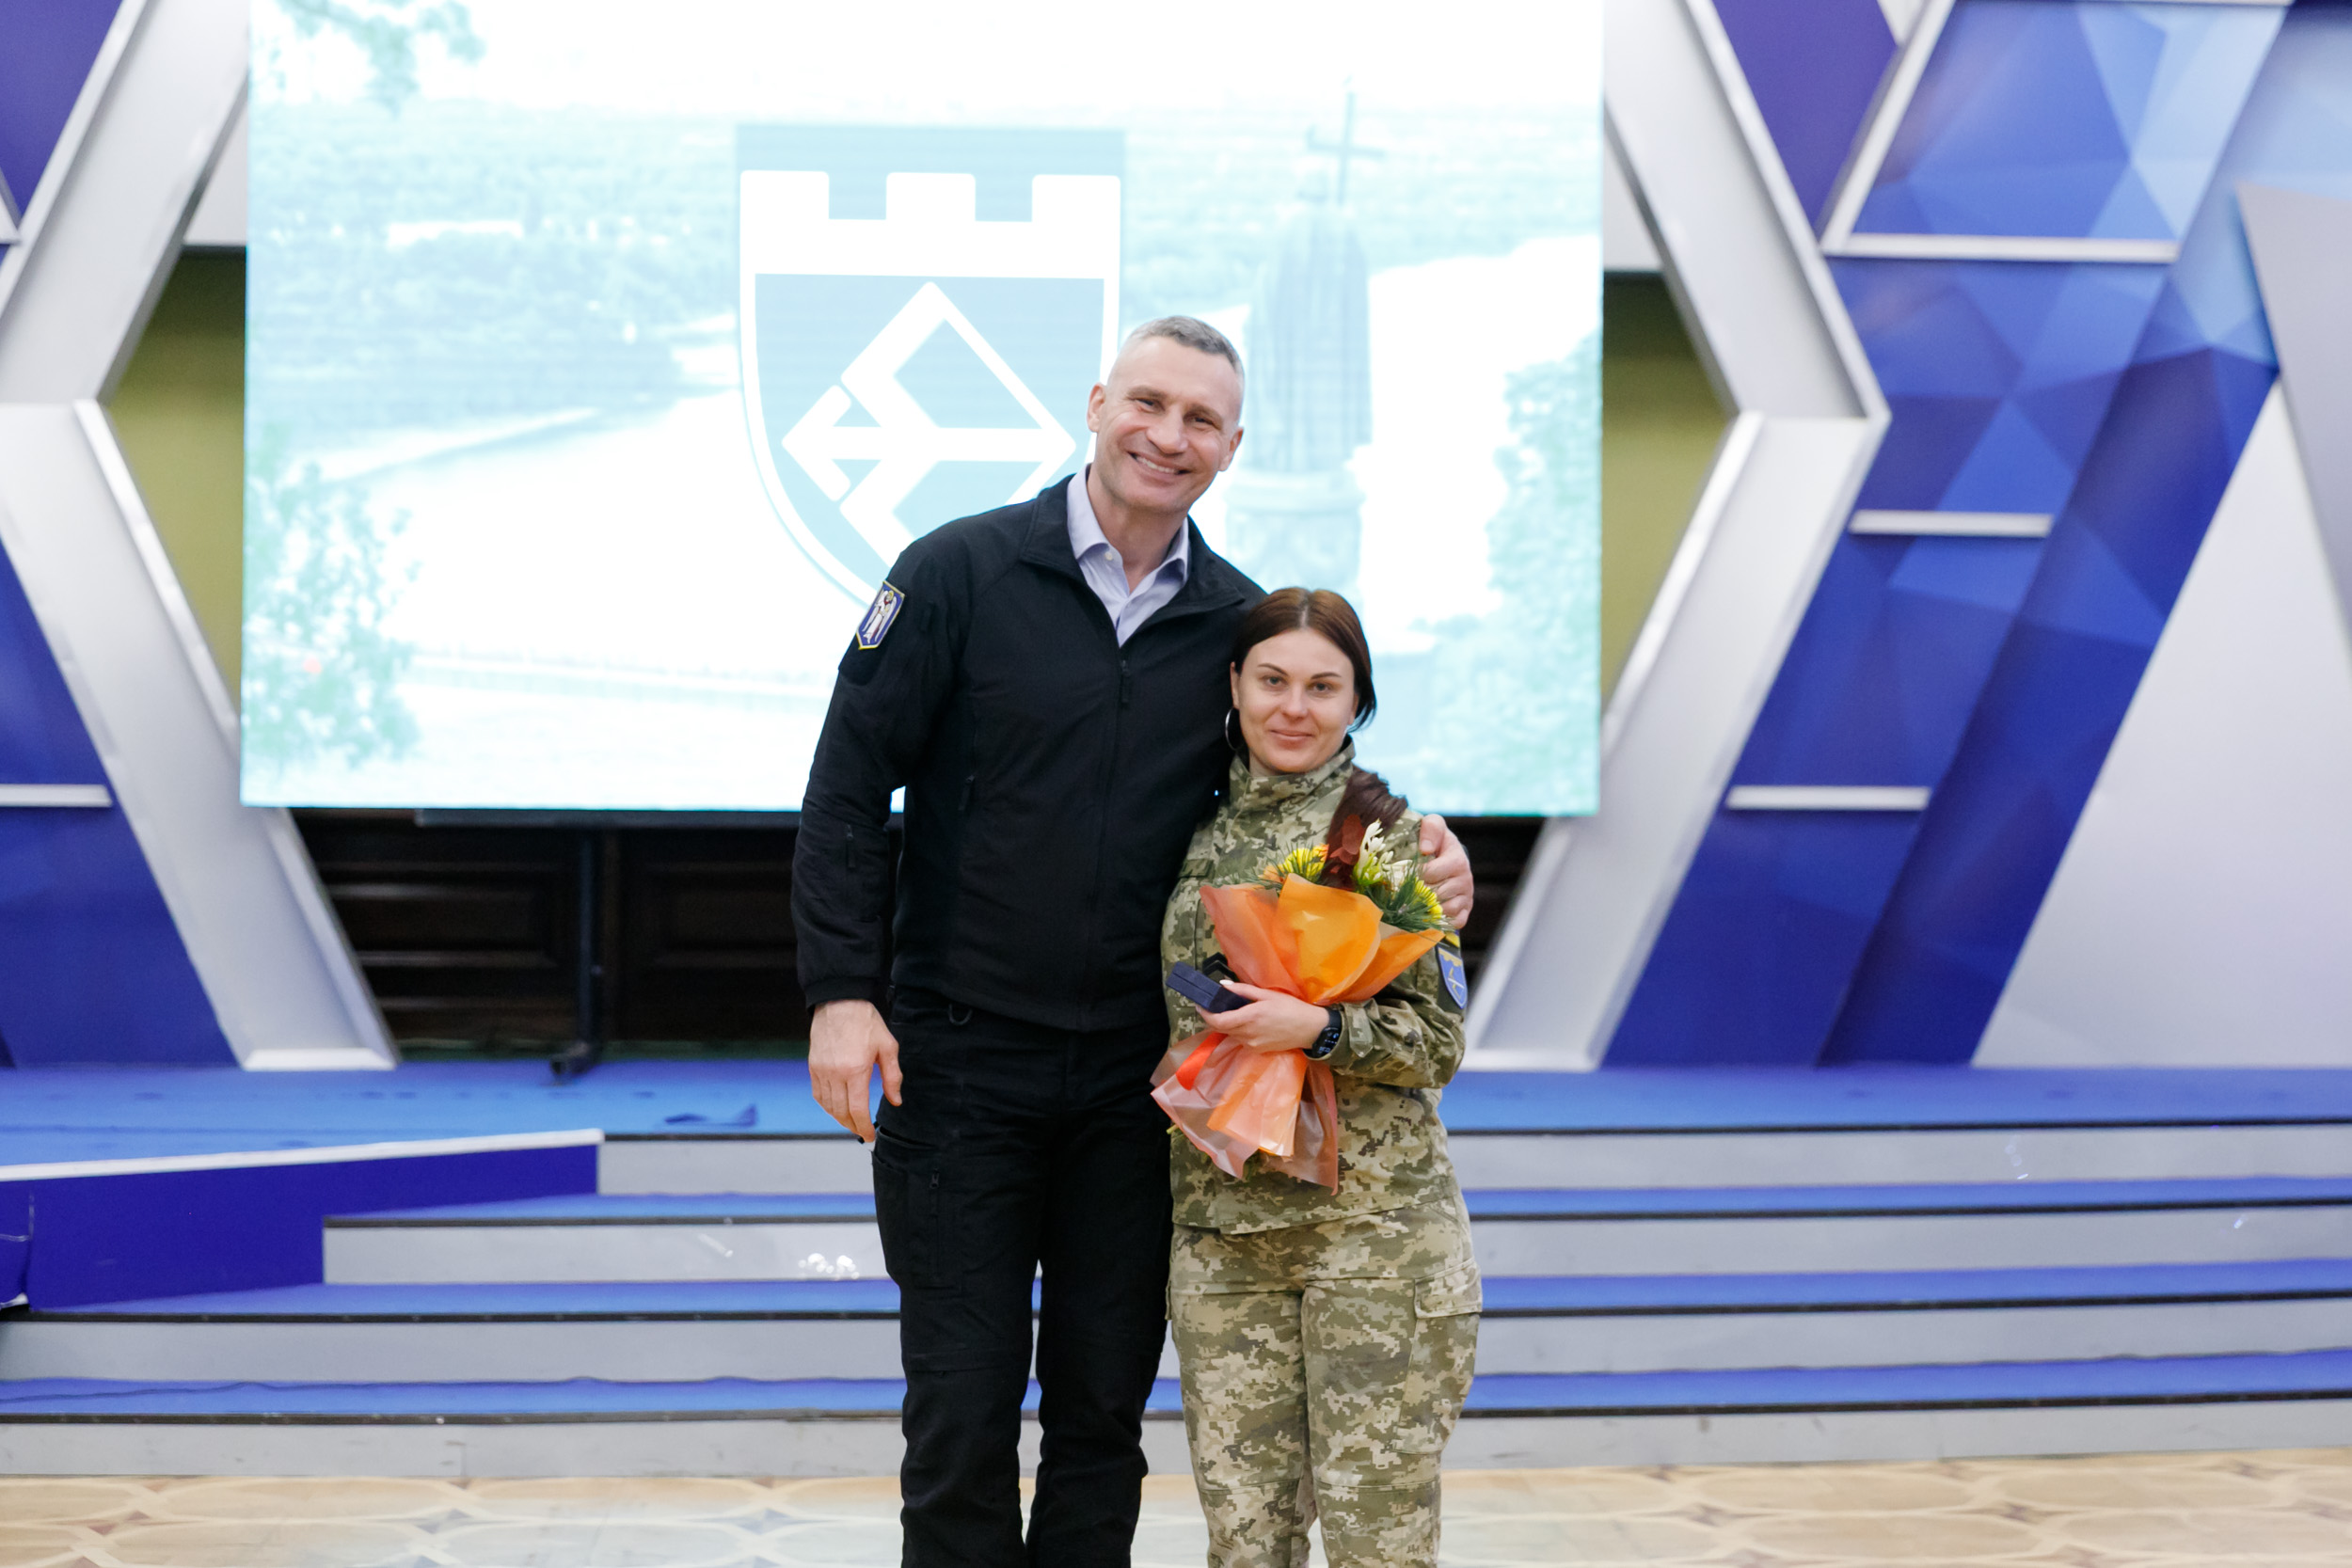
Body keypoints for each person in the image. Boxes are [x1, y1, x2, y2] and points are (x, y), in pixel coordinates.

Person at [791, 315, 1474, 1568]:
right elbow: (845, 785)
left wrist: (1424, 844)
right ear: (1098, 402)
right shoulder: (955, 572)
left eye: (1200, 418)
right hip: (959, 1064)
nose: (1168, 435)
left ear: (1231, 447)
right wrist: (841, 990)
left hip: (1135, 1087)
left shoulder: (1230, 622)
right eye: (1148, 403)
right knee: (960, 1407)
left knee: (1102, 1413)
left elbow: (1297, 786)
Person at [1160, 587, 1477, 1568]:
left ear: (1356, 701)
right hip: (1224, 1240)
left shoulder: (1395, 841)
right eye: (1272, 680)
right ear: (1235, 685)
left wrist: (1323, 1028)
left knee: (1378, 1545)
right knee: (1243, 1545)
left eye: (1323, 686)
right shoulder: (1183, 832)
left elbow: (1437, 1043)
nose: (1293, 707)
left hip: (1373, 1243)